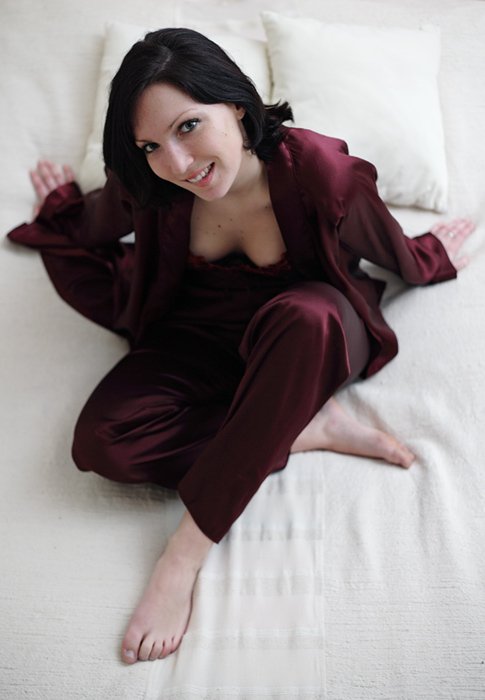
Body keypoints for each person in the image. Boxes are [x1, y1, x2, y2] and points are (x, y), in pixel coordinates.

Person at [8, 27, 474, 665]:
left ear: (234, 103)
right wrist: (61, 204)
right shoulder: (151, 183)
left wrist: (433, 255)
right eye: (151, 145)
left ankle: (183, 557)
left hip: (305, 334)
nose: (178, 163)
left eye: (189, 126)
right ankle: (298, 427)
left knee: (309, 319)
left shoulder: (321, 174)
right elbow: (97, 221)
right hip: (196, 329)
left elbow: (390, 246)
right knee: (101, 443)